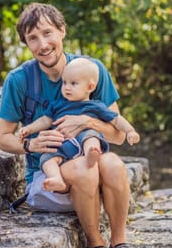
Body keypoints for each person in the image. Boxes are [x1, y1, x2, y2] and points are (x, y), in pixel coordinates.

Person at [0, 2, 146, 248]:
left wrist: (87, 123)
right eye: (33, 38)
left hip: (91, 163)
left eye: (47, 33)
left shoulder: (91, 71)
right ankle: (95, 246)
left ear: (62, 31)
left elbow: (116, 134)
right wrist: (31, 144)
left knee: (112, 164)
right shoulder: (18, 80)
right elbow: (3, 138)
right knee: (83, 170)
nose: (43, 44)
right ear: (26, 44)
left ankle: (120, 243)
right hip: (51, 176)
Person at [18, 57, 140, 193]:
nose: (67, 87)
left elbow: (116, 119)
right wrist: (29, 128)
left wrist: (130, 131)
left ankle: (91, 155)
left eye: (73, 83)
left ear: (90, 87)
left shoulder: (95, 106)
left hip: (84, 140)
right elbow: (45, 120)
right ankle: (56, 178)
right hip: (63, 144)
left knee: (91, 135)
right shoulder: (58, 104)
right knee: (46, 158)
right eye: (64, 83)